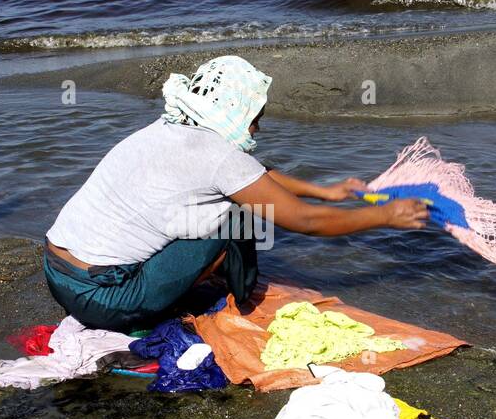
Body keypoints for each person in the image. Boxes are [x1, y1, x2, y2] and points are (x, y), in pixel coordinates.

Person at [44, 55, 428, 332]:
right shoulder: (218, 157)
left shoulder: (164, 131)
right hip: (106, 300)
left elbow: (252, 175)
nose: (258, 127)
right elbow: (304, 221)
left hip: (59, 274)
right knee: (239, 216)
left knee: (222, 204)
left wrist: (324, 192)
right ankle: (241, 298)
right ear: (235, 108)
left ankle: (204, 282)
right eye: (255, 116)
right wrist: (386, 216)